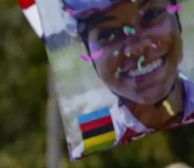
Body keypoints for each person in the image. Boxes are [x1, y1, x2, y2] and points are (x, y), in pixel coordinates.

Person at [63, 0, 194, 157]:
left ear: (177, 20)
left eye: (152, 15)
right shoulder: (93, 146)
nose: (138, 46)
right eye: (109, 34)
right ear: (89, 53)